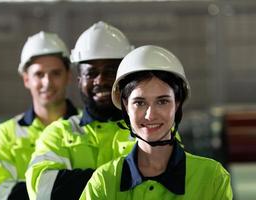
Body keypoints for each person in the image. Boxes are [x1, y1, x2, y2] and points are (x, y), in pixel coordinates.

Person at [80, 45, 233, 200]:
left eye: (162, 101)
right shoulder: (104, 181)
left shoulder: (211, 177)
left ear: (177, 104)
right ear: (126, 106)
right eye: (140, 103)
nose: (150, 115)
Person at [25, 21, 135, 200]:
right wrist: (129, 178)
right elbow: (42, 190)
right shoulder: (57, 134)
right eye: (91, 73)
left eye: (111, 71)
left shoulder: (152, 128)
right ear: (79, 80)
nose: (101, 80)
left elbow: (165, 186)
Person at [0, 31, 78, 200]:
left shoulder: (90, 127)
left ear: (68, 76)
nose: (47, 82)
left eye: (55, 73)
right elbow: (2, 196)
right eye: (39, 74)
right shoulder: (4, 137)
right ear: (26, 79)